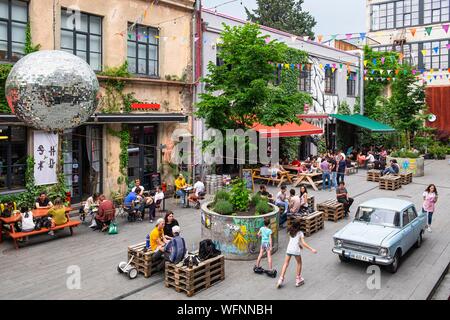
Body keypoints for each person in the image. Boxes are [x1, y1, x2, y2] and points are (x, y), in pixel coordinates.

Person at [276, 220, 317, 288]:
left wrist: (299, 245)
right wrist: (311, 249)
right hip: (295, 250)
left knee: (285, 264)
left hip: (289, 249)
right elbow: (304, 243)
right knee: (299, 263)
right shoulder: (300, 233)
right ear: (299, 226)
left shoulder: (290, 231)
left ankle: (281, 279)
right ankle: (298, 279)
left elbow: (293, 240)